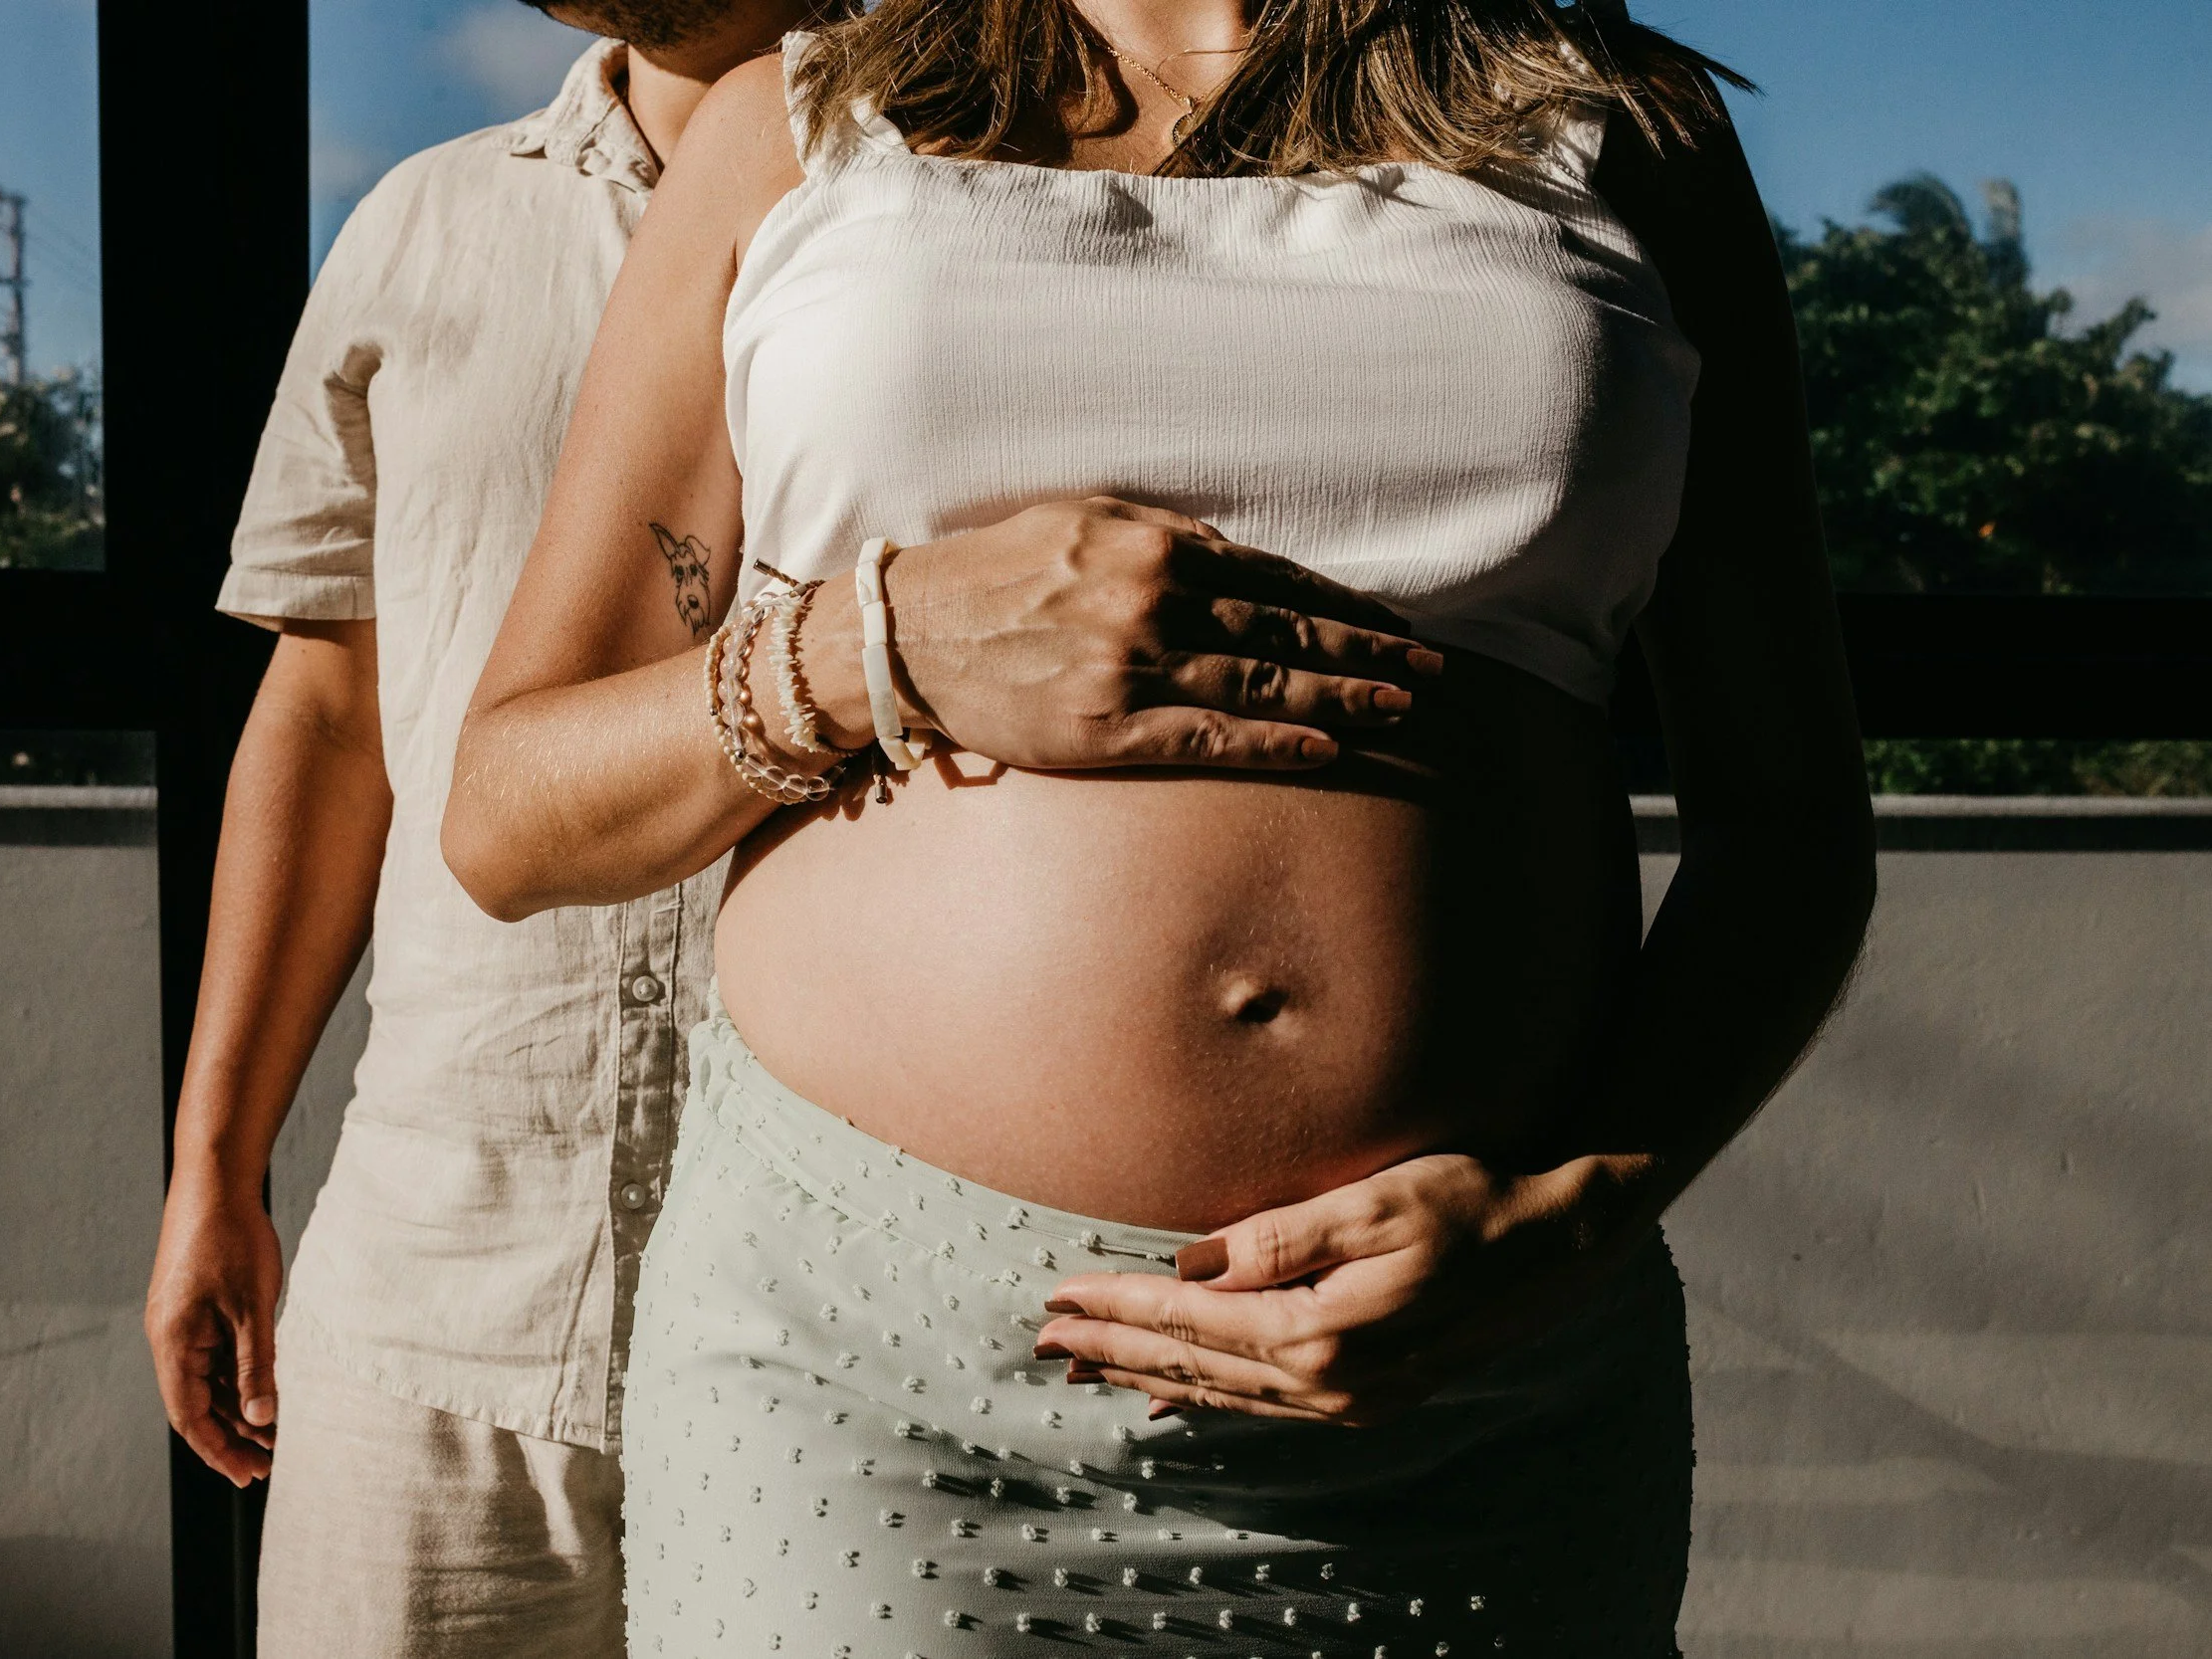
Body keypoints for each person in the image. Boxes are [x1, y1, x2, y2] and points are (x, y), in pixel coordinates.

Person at [445, 0, 1877, 1649]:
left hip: (1465, 1363)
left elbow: (1790, 829)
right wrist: (881, 641)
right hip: (864, 1378)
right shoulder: (799, 121)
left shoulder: (1621, 128)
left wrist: (1573, 1207)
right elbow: (509, 807)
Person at [137, 1, 828, 1652]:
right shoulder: (424, 221)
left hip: (846, 1312)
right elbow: (322, 712)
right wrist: (214, 1166)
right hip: (434, 1301)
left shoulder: (970, 223)